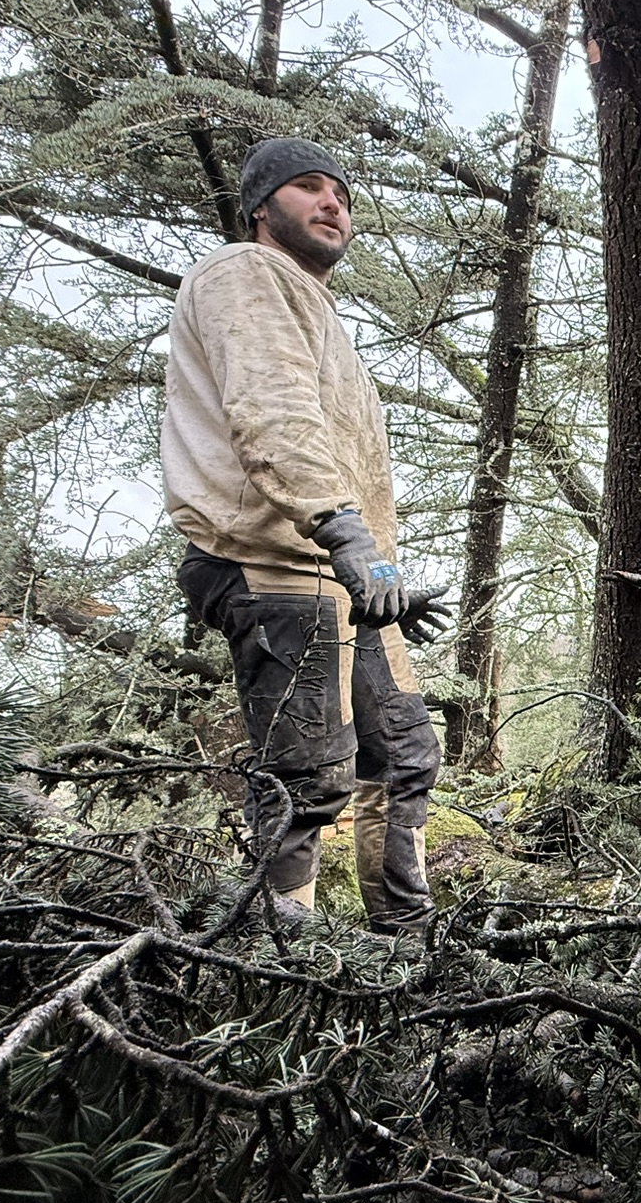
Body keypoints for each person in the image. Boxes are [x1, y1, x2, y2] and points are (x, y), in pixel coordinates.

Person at [161, 137, 450, 930]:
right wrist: (342, 530)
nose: (332, 204)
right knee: (307, 779)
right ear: (261, 208)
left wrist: (374, 573)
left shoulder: (318, 310)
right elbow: (271, 411)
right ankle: (287, 964)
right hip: (275, 564)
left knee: (404, 756)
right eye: (308, 188)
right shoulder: (245, 276)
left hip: (346, 579)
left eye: (342, 194)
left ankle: (405, 938)